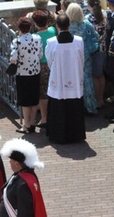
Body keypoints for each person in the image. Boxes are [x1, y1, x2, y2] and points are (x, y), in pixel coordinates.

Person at [44, 13, 86, 144]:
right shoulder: (79, 41)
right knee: (74, 108)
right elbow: (82, 59)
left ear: (57, 26)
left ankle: (58, 135)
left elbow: (49, 62)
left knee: (59, 109)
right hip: (74, 79)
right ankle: (76, 135)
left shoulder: (51, 42)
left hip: (58, 80)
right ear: (69, 25)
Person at [0, 138, 48, 217]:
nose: (9, 162)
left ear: (17, 164)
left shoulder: (23, 183)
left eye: (11, 160)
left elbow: (24, 211)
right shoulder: (25, 175)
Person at [10, 17, 43, 133]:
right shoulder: (37, 38)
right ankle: (33, 122)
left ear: (19, 28)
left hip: (22, 73)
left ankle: (26, 124)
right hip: (35, 71)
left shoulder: (17, 41)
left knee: (24, 100)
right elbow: (40, 54)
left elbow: (13, 58)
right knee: (34, 99)